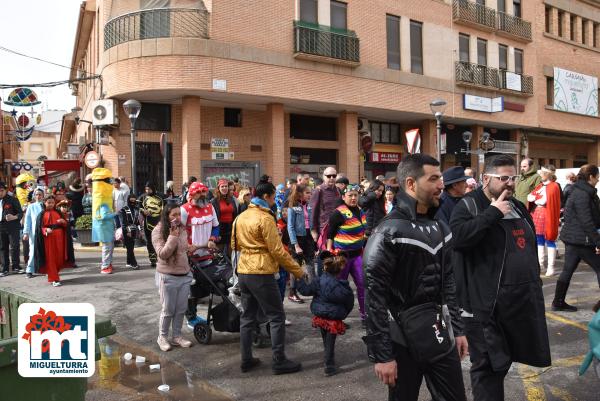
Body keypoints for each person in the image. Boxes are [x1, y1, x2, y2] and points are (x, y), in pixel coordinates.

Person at [363, 154, 467, 401]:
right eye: (434, 179)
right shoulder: (387, 231)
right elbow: (374, 297)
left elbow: (448, 283)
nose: (441, 184)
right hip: (401, 342)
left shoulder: (441, 228)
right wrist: (383, 355)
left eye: (440, 178)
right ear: (411, 184)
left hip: (439, 334)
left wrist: (459, 329)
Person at [450, 154, 551, 401]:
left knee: (503, 363)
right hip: (484, 306)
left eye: (513, 177)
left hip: (517, 303)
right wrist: (492, 213)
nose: (509, 183)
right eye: (503, 178)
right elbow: (458, 238)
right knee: (487, 366)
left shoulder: (517, 205)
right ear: (486, 179)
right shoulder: (469, 205)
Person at [232, 181, 305, 375]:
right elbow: (277, 251)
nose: (274, 200)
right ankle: (279, 360)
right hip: (261, 271)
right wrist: (298, 270)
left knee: (247, 317)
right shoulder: (265, 218)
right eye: (273, 196)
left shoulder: (241, 216)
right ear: (266, 197)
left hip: (245, 270)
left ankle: (246, 359)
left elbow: (234, 245)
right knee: (276, 316)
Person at [297, 250, 354, 376]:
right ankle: (329, 364)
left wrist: (299, 279)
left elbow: (305, 291)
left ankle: (328, 358)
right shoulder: (343, 286)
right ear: (340, 269)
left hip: (321, 315)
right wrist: (343, 313)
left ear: (324, 267)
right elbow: (349, 302)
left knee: (325, 338)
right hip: (334, 317)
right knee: (330, 340)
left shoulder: (318, 281)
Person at [553, 165, 600, 312]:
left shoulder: (581, 191)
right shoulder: (582, 193)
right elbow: (586, 220)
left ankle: (558, 302)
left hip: (574, 238)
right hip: (581, 240)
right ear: (591, 176)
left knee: (567, 270)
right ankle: (558, 302)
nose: (598, 179)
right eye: (597, 176)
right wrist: (597, 240)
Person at [152, 203, 194, 351]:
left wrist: (190, 247)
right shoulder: (158, 231)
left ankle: (177, 336)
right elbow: (162, 254)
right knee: (168, 309)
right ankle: (162, 337)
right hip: (167, 276)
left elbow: (183, 249)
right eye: (173, 215)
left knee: (181, 308)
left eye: (178, 214)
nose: (177, 218)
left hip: (184, 274)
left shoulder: (182, 229)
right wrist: (172, 237)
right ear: (166, 216)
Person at [327, 184, 367, 326]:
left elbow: (363, 233)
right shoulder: (338, 213)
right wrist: (329, 254)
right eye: (350, 195)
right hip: (341, 257)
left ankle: (365, 316)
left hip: (357, 256)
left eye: (356, 195)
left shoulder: (361, 211)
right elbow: (330, 234)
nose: (354, 197)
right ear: (344, 197)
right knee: (339, 289)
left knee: (363, 285)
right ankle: (337, 319)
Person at [181, 181, 219, 328]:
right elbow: (178, 232)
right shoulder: (184, 210)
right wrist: (186, 246)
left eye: (204, 192)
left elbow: (215, 227)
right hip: (190, 256)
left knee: (203, 285)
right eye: (199, 192)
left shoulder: (210, 207)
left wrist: (212, 239)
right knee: (190, 288)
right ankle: (191, 318)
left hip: (206, 253)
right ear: (192, 193)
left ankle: (199, 314)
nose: (203, 194)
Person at [527, 165, 561, 276]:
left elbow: (543, 200)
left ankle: (551, 267)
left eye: (542, 173)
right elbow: (529, 197)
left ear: (548, 174)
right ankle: (540, 265)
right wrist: (536, 198)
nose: (540, 175)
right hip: (538, 213)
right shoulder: (541, 186)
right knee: (539, 239)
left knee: (550, 239)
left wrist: (536, 198)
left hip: (548, 214)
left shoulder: (554, 186)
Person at [287, 183, 314, 303]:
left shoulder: (309, 206)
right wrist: (296, 245)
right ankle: (292, 292)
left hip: (308, 238)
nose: (310, 195)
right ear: (300, 194)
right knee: (295, 267)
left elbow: (312, 224)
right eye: (307, 193)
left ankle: (312, 289)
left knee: (310, 264)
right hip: (297, 239)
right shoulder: (292, 207)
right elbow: (290, 227)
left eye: (310, 193)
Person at [35, 195, 68, 287]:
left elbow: (66, 225)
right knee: (51, 258)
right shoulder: (41, 215)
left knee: (59, 258)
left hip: (60, 238)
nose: (50, 204)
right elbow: (39, 228)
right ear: (45, 203)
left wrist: (63, 222)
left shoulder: (59, 213)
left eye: (52, 202)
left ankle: (54, 273)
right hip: (48, 239)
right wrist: (45, 230)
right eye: (48, 202)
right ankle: (54, 278)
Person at [91, 168, 116, 274]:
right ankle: (105, 266)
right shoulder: (101, 198)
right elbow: (103, 216)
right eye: (109, 180)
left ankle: (108, 263)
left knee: (109, 246)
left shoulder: (103, 196)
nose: (112, 182)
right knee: (107, 246)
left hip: (106, 226)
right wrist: (116, 213)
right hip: (104, 226)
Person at [0, 181, 23, 276]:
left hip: (12, 226)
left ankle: (16, 266)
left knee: (14, 247)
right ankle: (4, 268)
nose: (0, 192)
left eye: (1, 190)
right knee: (2, 248)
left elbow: (20, 213)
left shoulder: (13, 200)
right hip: (1, 227)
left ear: (5, 190)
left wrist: (14, 217)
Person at [211, 179, 238, 256]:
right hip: (220, 228)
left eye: (226, 186)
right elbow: (214, 218)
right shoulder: (214, 201)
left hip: (230, 228)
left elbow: (235, 214)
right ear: (218, 188)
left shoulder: (231, 199)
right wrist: (216, 233)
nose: (224, 188)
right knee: (218, 253)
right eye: (222, 186)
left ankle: (230, 267)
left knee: (231, 252)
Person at [140, 183, 164, 267]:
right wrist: (143, 211)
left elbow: (165, 209)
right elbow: (137, 206)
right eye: (146, 189)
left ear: (153, 189)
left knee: (159, 240)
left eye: (149, 189)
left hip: (158, 222)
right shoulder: (143, 197)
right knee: (149, 241)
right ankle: (152, 260)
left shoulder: (160, 197)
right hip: (148, 222)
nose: (147, 191)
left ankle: (160, 257)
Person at [22, 188, 44, 278]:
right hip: (34, 233)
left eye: (40, 194)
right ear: (34, 196)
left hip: (44, 232)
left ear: (43, 196)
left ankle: (44, 268)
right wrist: (26, 232)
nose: (38, 196)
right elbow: (27, 220)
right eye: (36, 194)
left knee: (45, 251)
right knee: (33, 250)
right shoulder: (31, 206)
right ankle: (29, 270)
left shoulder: (45, 205)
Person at [119, 193, 141, 269]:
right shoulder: (124, 209)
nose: (133, 200)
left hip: (134, 230)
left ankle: (128, 262)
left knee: (130, 247)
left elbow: (137, 222)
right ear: (128, 199)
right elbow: (123, 222)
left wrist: (140, 231)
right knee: (130, 247)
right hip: (127, 231)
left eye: (134, 198)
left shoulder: (136, 209)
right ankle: (133, 263)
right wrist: (128, 231)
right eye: (131, 199)